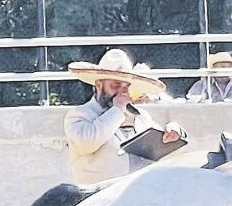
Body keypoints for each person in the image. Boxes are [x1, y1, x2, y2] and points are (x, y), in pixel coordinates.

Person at [64, 48, 183, 185]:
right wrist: (117, 110)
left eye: (125, 88)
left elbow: (163, 150)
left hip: (138, 195)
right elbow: (87, 143)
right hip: (97, 199)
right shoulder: (79, 115)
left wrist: (173, 133)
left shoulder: (141, 116)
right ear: (98, 85)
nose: (121, 92)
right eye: (115, 85)